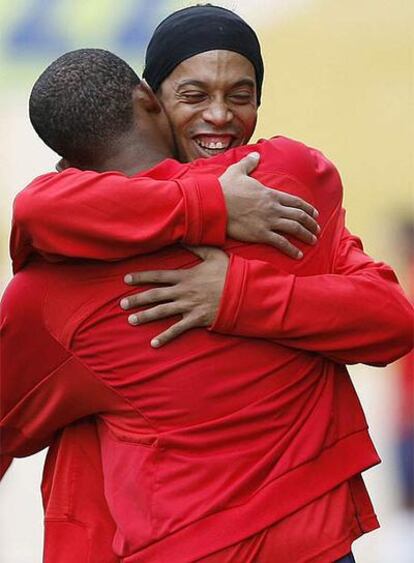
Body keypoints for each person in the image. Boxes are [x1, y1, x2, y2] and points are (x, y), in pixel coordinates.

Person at [2, 48, 413, 563]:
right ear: (150, 98)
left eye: (238, 96)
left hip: (179, 544)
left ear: (67, 163)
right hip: (314, 534)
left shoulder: (48, 292)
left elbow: (34, 211)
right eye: (195, 96)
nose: (218, 116)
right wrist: (217, 230)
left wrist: (233, 290)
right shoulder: (284, 186)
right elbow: (394, 321)